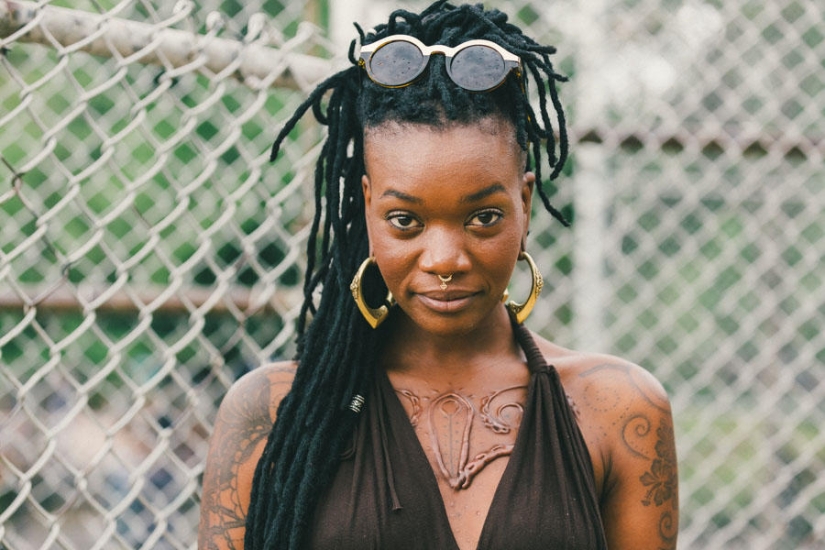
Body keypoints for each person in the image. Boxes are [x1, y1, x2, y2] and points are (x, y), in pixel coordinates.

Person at [198, 2, 679, 549]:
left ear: (525, 204)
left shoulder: (619, 409)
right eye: (406, 221)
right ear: (368, 206)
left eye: (483, 218)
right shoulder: (272, 412)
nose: (446, 259)